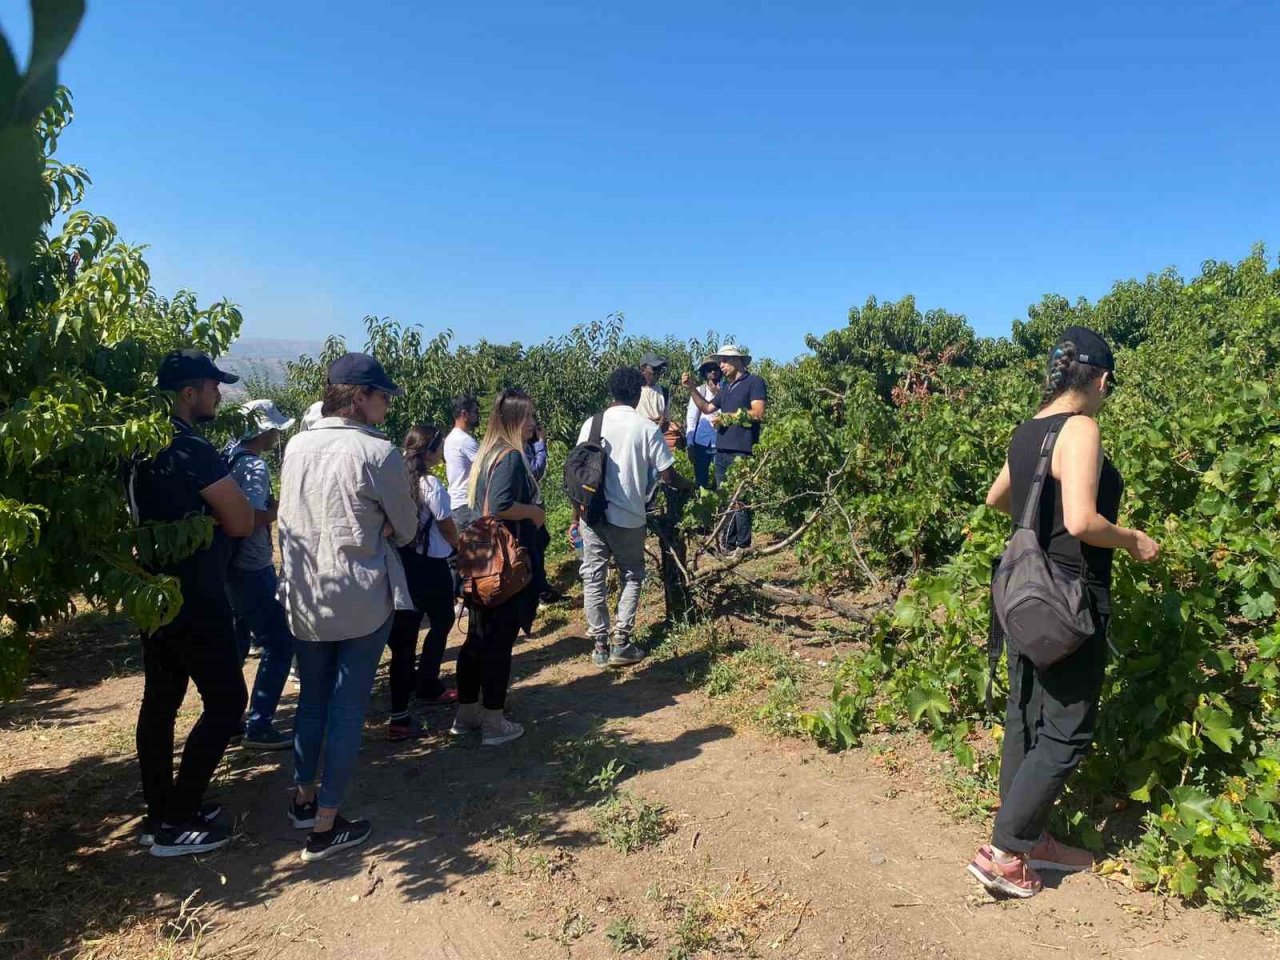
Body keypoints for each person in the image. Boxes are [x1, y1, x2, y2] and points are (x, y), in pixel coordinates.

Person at [967, 327, 1160, 899]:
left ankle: (1031, 838)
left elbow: (996, 498)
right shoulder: (1081, 428)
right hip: (1070, 601)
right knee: (1067, 730)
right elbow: (1080, 521)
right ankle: (1004, 853)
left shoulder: (1029, 431)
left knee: (1024, 715)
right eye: (1109, 385)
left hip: (1023, 595)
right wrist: (1133, 540)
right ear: (1100, 379)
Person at [277, 352, 419, 862]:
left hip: (304, 595)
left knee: (312, 701)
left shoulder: (295, 445)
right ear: (359, 397)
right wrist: (379, 526)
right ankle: (326, 825)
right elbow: (405, 527)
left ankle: (302, 798)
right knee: (346, 709)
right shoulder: (377, 455)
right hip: (358, 599)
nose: (386, 404)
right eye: (381, 395)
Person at [128, 349, 252, 857]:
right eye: (213, 386)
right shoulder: (190, 447)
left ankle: (162, 811)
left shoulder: (137, 444)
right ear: (188, 393)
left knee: (161, 702)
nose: (218, 394)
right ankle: (178, 822)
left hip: (153, 593)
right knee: (227, 701)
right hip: (196, 595)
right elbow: (241, 520)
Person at [578, 367, 692, 668]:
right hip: (627, 515)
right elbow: (667, 475)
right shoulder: (644, 427)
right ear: (637, 393)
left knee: (593, 575)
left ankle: (599, 645)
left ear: (612, 391)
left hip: (590, 514)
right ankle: (621, 642)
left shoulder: (592, 423)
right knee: (631, 574)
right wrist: (691, 486)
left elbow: (579, 470)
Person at [451, 389, 545, 746]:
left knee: (478, 638)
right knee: (498, 641)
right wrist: (534, 512)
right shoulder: (508, 457)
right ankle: (493, 720)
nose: (535, 423)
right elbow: (499, 505)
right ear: (517, 421)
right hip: (501, 564)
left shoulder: (487, 454)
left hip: (480, 559)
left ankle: (467, 713)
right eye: (531, 417)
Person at [223, 399, 296, 751]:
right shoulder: (252, 466)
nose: (275, 436)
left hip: (228, 568)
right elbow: (250, 518)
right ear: (262, 430)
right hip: (252, 565)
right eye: (272, 430)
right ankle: (260, 723)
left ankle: (228, 714)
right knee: (280, 643)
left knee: (236, 644)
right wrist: (276, 512)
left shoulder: (227, 455)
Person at [385, 424, 460, 741]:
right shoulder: (431, 485)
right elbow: (446, 526)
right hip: (432, 565)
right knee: (442, 620)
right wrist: (460, 549)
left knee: (404, 637)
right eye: (440, 447)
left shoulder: (397, 479)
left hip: (402, 564)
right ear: (430, 451)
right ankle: (428, 683)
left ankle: (400, 711)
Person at [682, 344, 767, 551]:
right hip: (721, 450)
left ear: (737, 361)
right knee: (725, 497)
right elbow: (707, 407)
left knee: (740, 496)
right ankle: (728, 545)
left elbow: (758, 412)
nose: (721, 366)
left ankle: (743, 544)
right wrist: (692, 388)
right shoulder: (726, 388)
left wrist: (728, 417)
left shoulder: (754, 382)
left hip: (742, 449)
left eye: (724, 361)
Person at [444, 395, 481, 532]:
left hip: (455, 503)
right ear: (464, 414)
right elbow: (484, 468)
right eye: (475, 412)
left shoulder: (450, 438)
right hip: (467, 504)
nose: (477, 416)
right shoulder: (465, 441)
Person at [685, 357, 721, 489]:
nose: (713, 372)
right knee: (701, 482)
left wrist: (719, 394)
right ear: (704, 373)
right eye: (709, 370)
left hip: (720, 442)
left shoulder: (727, 390)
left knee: (722, 481)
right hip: (701, 442)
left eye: (715, 368)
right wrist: (690, 444)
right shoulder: (699, 391)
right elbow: (692, 418)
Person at [636, 352, 669, 428]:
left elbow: (667, 423)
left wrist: (663, 424)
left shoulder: (664, 393)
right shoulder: (633, 391)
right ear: (642, 369)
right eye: (654, 369)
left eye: (660, 369)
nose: (657, 373)